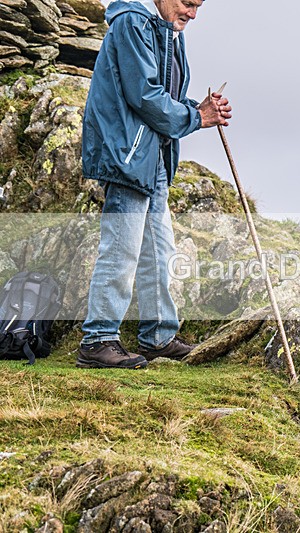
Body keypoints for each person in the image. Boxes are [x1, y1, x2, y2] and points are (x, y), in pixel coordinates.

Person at [77, 0, 231, 369]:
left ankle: (158, 336)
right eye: (188, 3)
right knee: (122, 248)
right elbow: (143, 95)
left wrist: (197, 107)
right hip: (129, 154)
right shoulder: (133, 22)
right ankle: (97, 339)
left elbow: (166, 97)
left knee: (158, 249)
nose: (193, 14)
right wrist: (197, 117)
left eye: (198, 5)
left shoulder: (166, 31)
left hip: (153, 156)